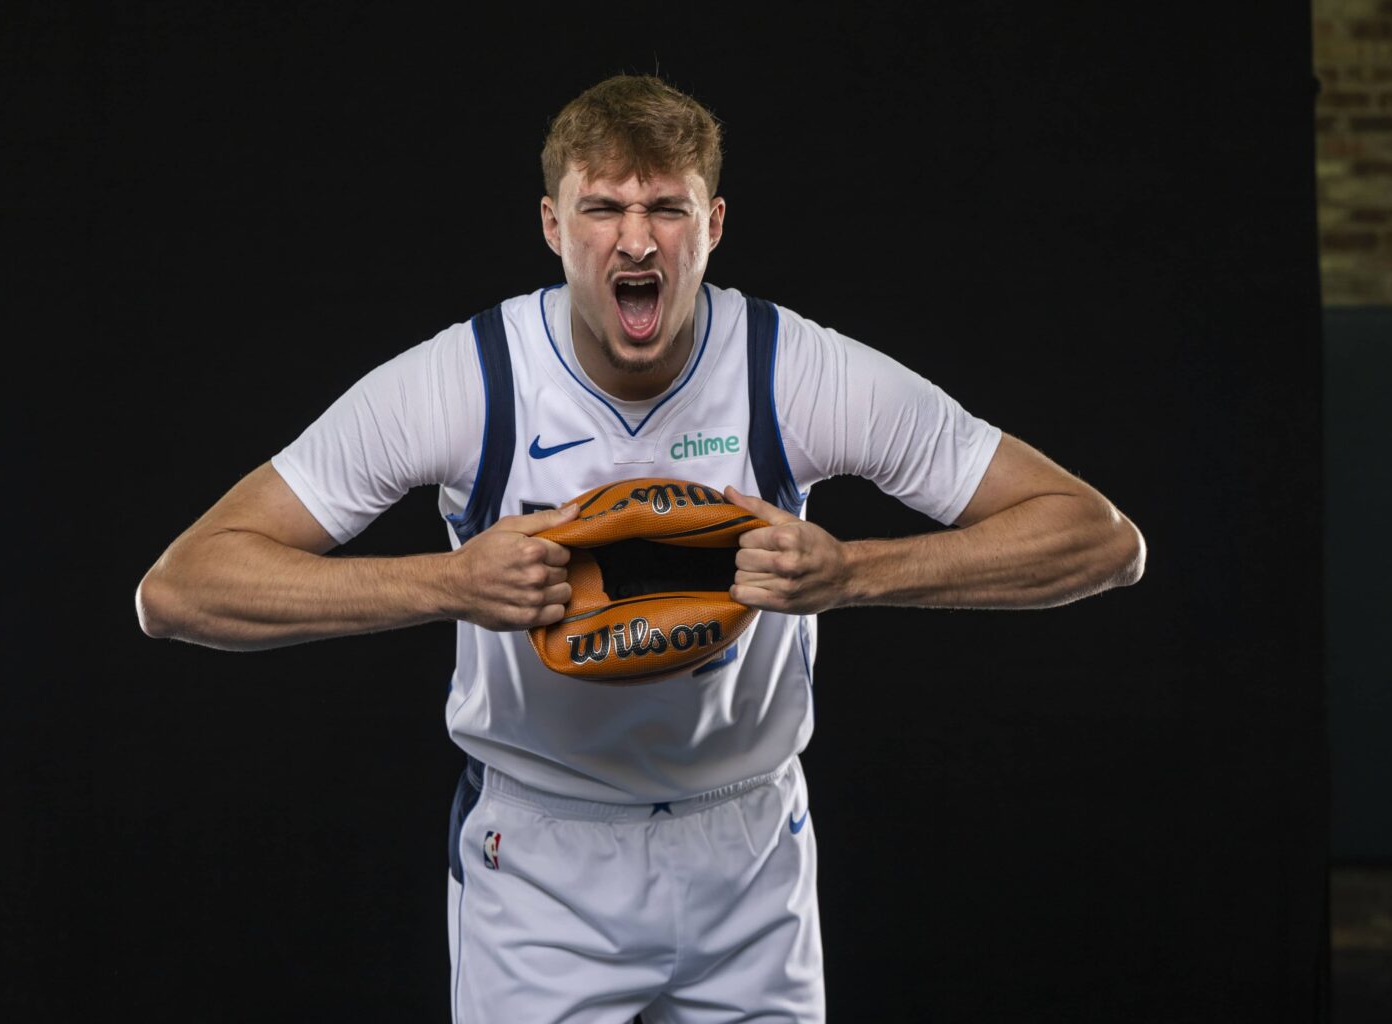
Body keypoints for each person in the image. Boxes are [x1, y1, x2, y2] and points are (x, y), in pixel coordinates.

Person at [136, 74, 1145, 1023]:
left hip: (750, 845)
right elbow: (181, 589)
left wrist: (856, 571)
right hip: (540, 859)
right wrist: (447, 580)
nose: (636, 238)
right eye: (603, 208)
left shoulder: (790, 369)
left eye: (666, 208)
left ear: (710, 228)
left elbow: (1099, 539)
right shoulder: (469, 380)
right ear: (551, 226)